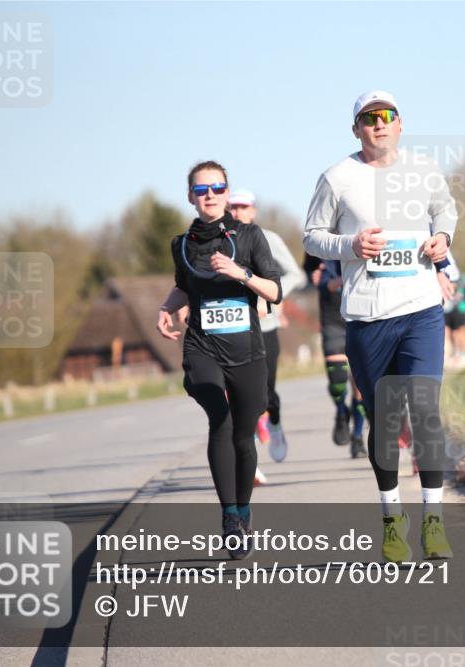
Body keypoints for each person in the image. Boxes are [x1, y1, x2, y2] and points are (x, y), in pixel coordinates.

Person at [303, 90, 457, 563]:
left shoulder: (425, 169)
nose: (379, 124)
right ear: (356, 129)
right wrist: (351, 245)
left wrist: (442, 238)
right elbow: (311, 236)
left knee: (427, 410)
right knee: (385, 422)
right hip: (368, 316)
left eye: (387, 116)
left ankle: (433, 520)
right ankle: (393, 518)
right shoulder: (337, 177)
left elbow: (444, 209)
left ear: (400, 124)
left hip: (420, 309)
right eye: (369, 118)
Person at [157, 161, 283, 560]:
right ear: (190, 196)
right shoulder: (181, 244)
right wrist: (167, 306)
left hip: (246, 351)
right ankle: (229, 516)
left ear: (227, 193)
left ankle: (243, 510)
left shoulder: (249, 236)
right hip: (202, 346)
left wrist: (239, 273)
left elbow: (275, 291)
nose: (209, 195)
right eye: (200, 189)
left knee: (244, 437)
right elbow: (183, 287)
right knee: (220, 419)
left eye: (216, 187)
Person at [228, 188, 307, 464]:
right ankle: (247, 457)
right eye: (232, 207)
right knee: (238, 392)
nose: (236, 212)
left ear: (253, 211)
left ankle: (274, 422)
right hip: (234, 327)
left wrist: (268, 295)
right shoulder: (223, 240)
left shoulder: (269, 239)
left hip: (266, 324)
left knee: (265, 390)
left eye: (242, 207)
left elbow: (295, 274)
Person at [310, 255, 369, 458]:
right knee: (337, 382)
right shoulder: (326, 253)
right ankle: (341, 411)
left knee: (359, 386)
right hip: (333, 322)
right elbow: (322, 281)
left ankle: (358, 436)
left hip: (360, 320)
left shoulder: (366, 250)